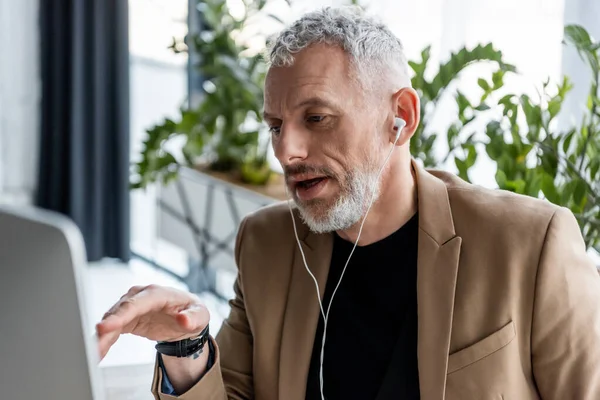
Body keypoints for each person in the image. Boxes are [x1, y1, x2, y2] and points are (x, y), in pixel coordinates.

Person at [96, 6, 600, 400]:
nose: (286, 151)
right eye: (275, 126)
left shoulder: (529, 245)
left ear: (399, 117)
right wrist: (187, 346)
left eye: (316, 118)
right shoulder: (267, 243)